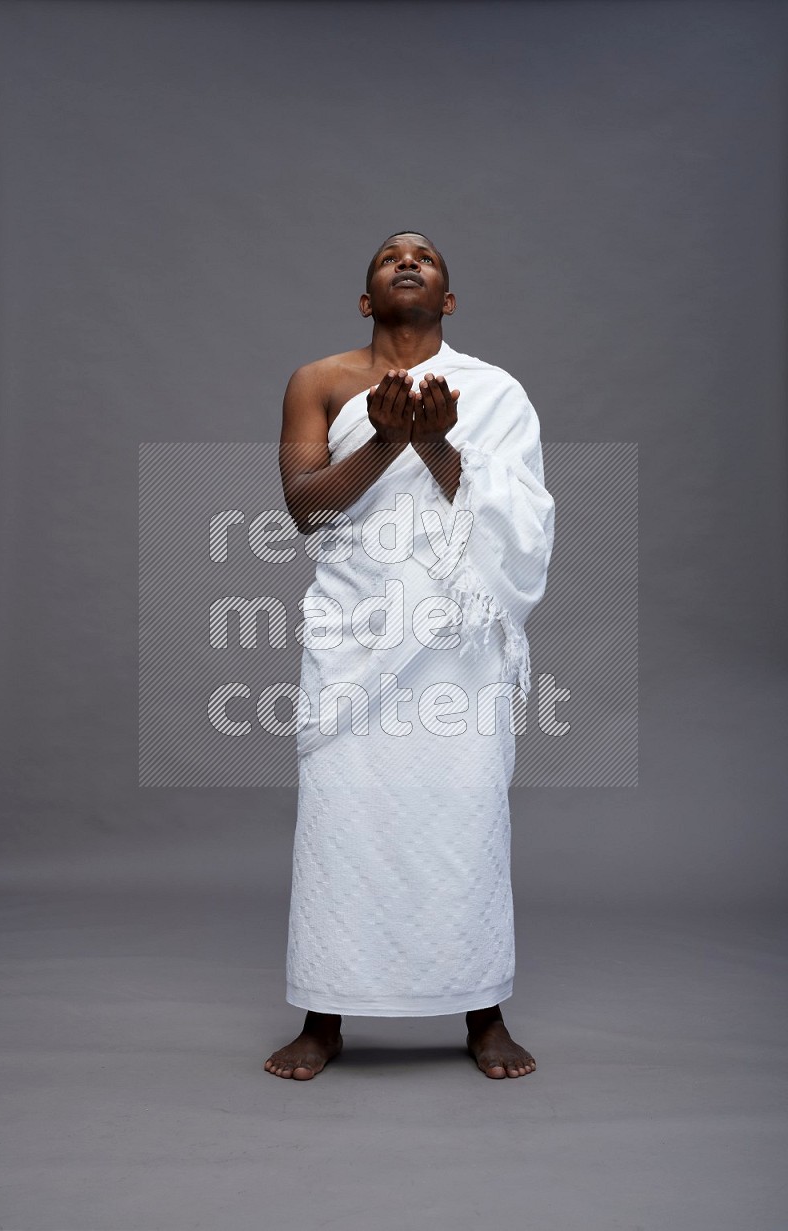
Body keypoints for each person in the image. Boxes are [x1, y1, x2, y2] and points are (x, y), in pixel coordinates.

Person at [265, 231, 555, 1079]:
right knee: (341, 818)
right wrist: (386, 442)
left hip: (452, 646)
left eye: (425, 257)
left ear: (449, 299)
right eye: (391, 255)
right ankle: (323, 1016)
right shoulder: (318, 383)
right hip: (355, 634)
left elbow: (523, 520)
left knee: (462, 820)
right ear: (365, 298)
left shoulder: (494, 393)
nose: (408, 260)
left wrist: (434, 442)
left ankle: (482, 1010)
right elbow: (306, 511)